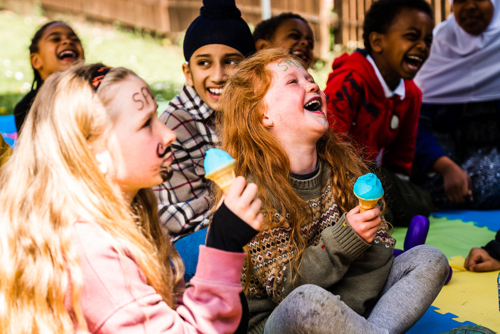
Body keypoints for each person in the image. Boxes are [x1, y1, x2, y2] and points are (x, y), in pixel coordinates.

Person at [0, 63, 262, 333]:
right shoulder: (88, 251)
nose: (169, 134)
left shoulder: (133, 212)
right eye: (146, 124)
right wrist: (221, 245)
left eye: (156, 117)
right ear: (92, 152)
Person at [217, 48, 449, 334]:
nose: (312, 85)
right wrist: (346, 239)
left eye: (310, 78)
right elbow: (286, 288)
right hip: (284, 320)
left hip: (353, 309)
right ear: (263, 115)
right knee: (307, 300)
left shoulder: (343, 167)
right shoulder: (253, 192)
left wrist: (367, 237)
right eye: (293, 82)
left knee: (429, 258)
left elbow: (381, 255)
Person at [151, 0, 256, 244]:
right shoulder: (176, 125)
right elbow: (174, 220)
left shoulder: (254, 110)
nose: (218, 76)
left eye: (231, 61)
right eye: (204, 63)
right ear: (188, 73)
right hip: (186, 245)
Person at [323, 0, 435, 227]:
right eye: (412, 37)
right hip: (340, 173)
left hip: (378, 177)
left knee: (422, 204)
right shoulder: (350, 79)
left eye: (427, 40)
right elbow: (330, 141)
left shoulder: (412, 93)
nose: (423, 46)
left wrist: (400, 189)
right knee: (382, 214)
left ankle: (382, 209)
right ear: (377, 41)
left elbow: (403, 151)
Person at [413, 0, 500, 210]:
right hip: (445, 153)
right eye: (460, 0)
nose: (470, 6)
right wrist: (445, 166)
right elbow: (416, 120)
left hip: (491, 152)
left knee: (492, 180)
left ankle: (426, 198)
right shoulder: (437, 44)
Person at [14, 20, 84, 133]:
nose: (68, 41)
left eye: (74, 39)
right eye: (55, 39)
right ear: (36, 61)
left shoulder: (98, 91)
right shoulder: (27, 107)